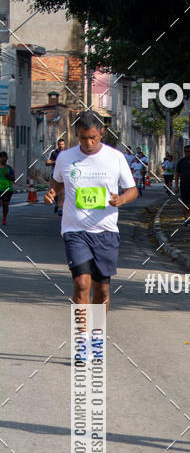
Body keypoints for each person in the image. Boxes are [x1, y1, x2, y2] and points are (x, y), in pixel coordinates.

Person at [43, 111, 138, 310]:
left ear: (101, 133)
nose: (88, 143)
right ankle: (81, 337)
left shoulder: (115, 157)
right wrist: (52, 193)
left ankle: (96, 335)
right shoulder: (65, 157)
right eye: (83, 138)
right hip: (74, 230)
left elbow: (133, 190)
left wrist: (121, 199)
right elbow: (58, 183)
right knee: (81, 284)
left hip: (106, 231)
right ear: (77, 134)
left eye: (92, 138)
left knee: (102, 290)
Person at [46, 138, 66, 214]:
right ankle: (57, 204)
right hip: (54, 176)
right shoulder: (54, 153)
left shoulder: (67, 153)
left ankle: (61, 208)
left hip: (64, 176)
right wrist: (55, 161)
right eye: (60, 144)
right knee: (54, 193)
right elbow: (47, 162)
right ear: (57, 145)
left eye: (62, 144)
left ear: (64, 145)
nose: (61, 146)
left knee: (62, 192)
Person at [0, 151, 15, 226]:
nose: (3, 159)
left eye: (4, 157)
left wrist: (8, 175)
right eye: (1, 157)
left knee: (5, 205)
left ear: (7, 158)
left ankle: (4, 218)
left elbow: (13, 179)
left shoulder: (9, 168)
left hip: (7, 189)